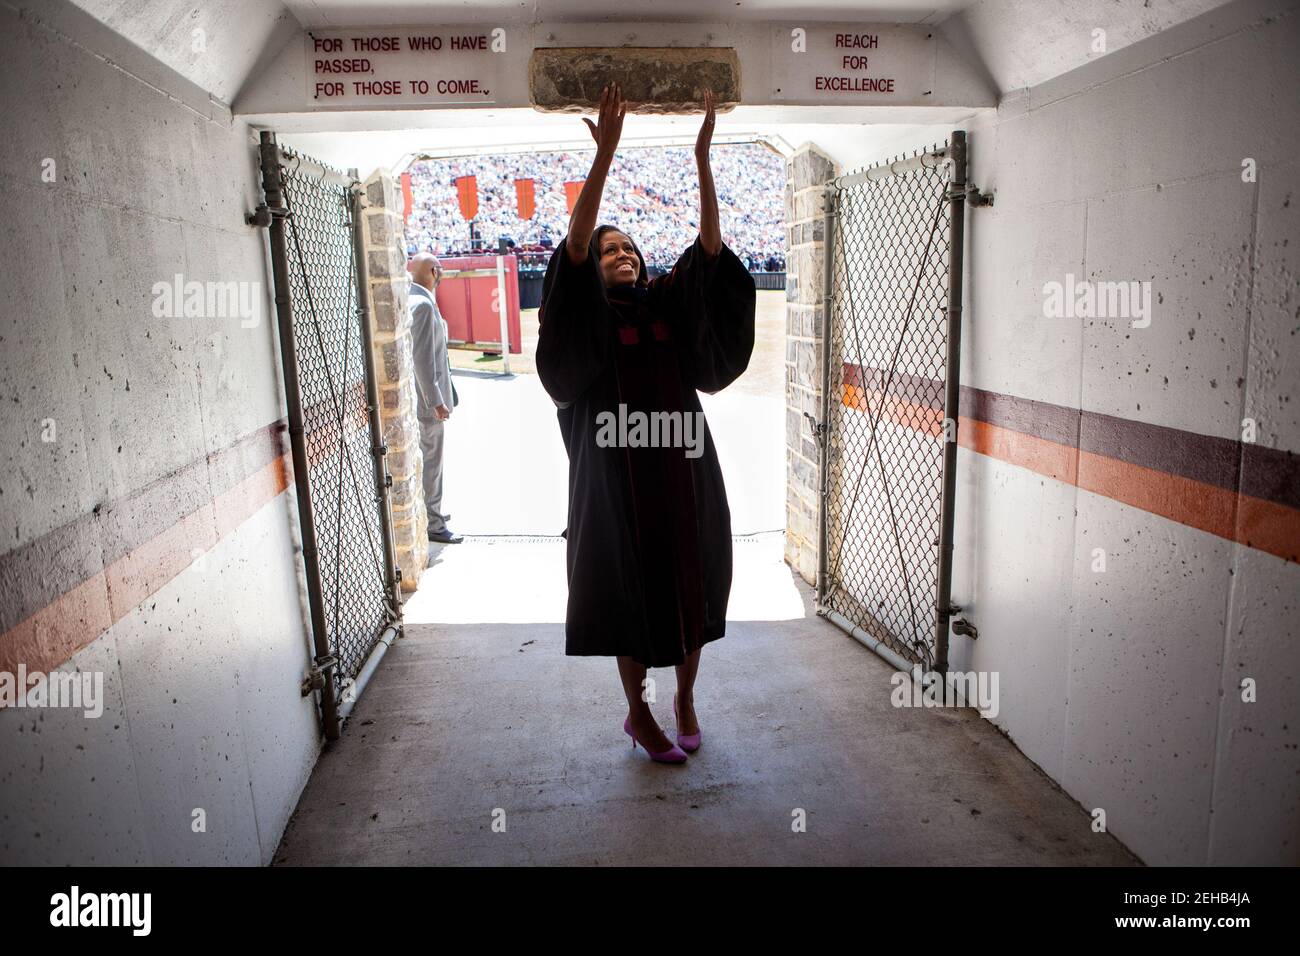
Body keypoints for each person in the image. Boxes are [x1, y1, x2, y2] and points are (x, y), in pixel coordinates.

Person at [536, 84, 756, 764]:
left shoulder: (663, 308)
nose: (621, 255)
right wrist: (604, 159)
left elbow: (711, 259)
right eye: (609, 252)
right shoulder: (587, 323)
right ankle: (639, 713)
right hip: (615, 488)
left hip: (684, 477)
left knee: (692, 590)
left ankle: (686, 697)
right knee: (628, 600)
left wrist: (703, 164)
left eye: (629, 248)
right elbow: (573, 253)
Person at [407, 253, 463, 544]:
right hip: (428, 404)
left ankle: (432, 512)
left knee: (428, 461)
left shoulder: (415, 299)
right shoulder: (424, 306)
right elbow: (423, 360)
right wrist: (436, 401)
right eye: (439, 269)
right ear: (433, 271)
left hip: (424, 401)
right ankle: (435, 522)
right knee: (432, 463)